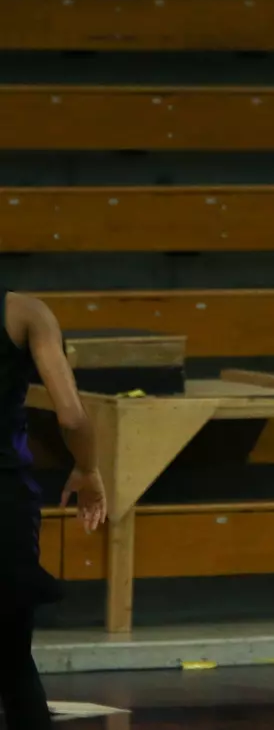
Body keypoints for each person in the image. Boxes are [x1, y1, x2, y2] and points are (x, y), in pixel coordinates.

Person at [0, 292, 107, 730]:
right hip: (3, 501)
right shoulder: (25, 313)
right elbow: (72, 417)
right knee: (12, 661)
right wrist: (88, 469)